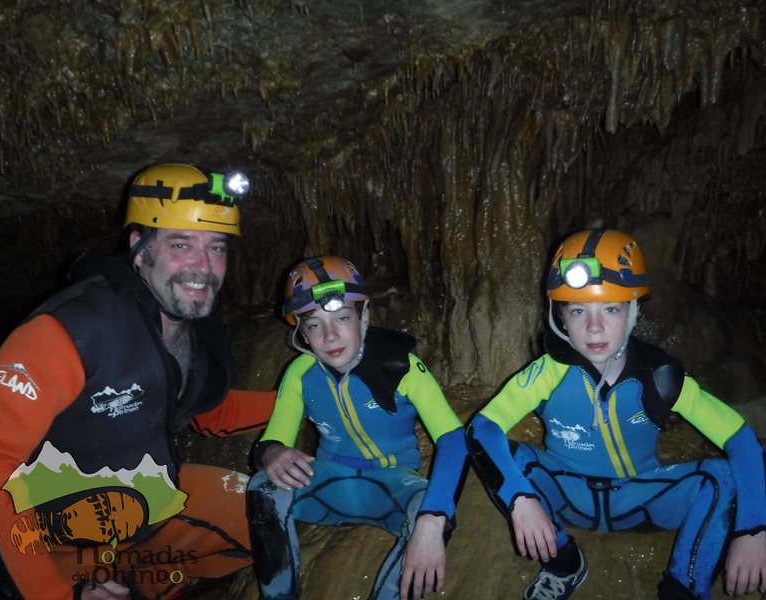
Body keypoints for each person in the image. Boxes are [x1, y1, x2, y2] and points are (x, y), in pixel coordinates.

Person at [0, 163, 277, 599]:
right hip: (49, 543)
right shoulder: (75, 329)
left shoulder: (190, 330)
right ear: (139, 249)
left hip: (146, 510)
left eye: (217, 247)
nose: (204, 266)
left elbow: (208, 410)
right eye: (181, 244)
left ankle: (148, 585)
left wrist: (301, 397)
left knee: (274, 511)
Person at [466, 228, 766, 600]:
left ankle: (683, 590)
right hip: (567, 492)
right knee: (505, 457)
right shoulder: (548, 372)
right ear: (561, 317)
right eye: (579, 310)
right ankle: (564, 563)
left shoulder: (660, 376)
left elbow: (740, 438)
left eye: (610, 308)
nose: (594, 327)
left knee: (720, 477)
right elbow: (483, 427)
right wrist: (520, 499)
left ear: (633, 311)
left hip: (639, 499)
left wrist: (753, 529)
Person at [246, 255, 468, 600]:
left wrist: (432, 519)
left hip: (395, 485)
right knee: (263, 487)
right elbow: (271, 440)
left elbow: (454, 440)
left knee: (435, 513)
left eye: (342, 318)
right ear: (301, 332)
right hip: (330, 483)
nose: (330, 335)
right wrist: (272, 452)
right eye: (314, 324)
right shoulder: (300, 374)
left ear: (364, 316)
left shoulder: (401, 366)